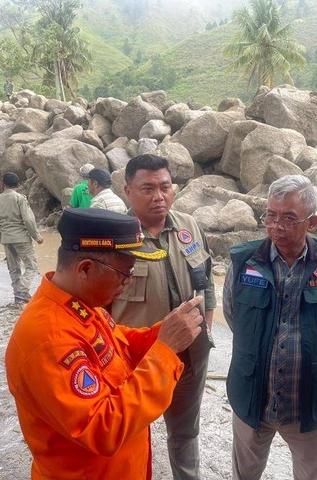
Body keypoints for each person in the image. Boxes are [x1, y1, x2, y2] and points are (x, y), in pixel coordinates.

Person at [5, 208, 205, 479]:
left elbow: (118, 348)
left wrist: (163, 332)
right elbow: (104, 428)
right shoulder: (48, 339)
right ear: (85, 269)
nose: (128, 281)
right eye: (124, 272)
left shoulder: (81, 305)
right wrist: (165, 351)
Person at [223, 175, 317, 480]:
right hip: (252, 397)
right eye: (270, 215)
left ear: (314, 221)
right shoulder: (243, 262)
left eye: (289, 218)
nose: (276, 226)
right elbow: (232, 317)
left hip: (310, 402)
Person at [110, 154, 216, 480]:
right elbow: (99, 305)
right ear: (128, 190)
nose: (159, 196)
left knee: (185, 434)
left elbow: (206, 282)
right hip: (137, 360)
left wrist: (206, 333)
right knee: (127, 434)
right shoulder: (114, 239)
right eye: (148, 188)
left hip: (189, 358)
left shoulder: (190, 226)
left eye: (165, 187)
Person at [0, 172, 44, 304]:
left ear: (3, 185)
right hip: (21, 238)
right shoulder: (20, 198)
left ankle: (17, 294)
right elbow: (28, 219)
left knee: (13, 267)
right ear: (18, 185)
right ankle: (22, 290)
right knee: (31, 266)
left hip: (6, 239)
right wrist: (36, 236)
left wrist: (0, 238)